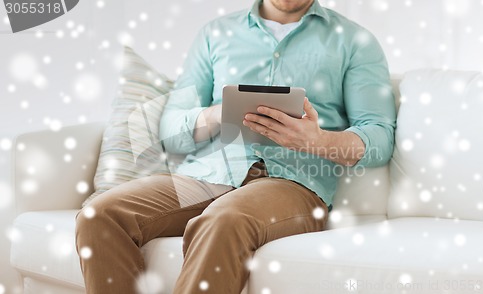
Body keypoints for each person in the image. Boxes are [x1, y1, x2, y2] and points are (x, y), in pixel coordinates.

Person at [75, 0, 396, 293]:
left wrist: (318, 140)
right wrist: (215, 114)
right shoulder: (216, 34)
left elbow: (379, 136)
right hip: (205, 175)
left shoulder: (354, 41)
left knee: (222, 219)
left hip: (292, 184)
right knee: (100, 214)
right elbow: (171, 130)